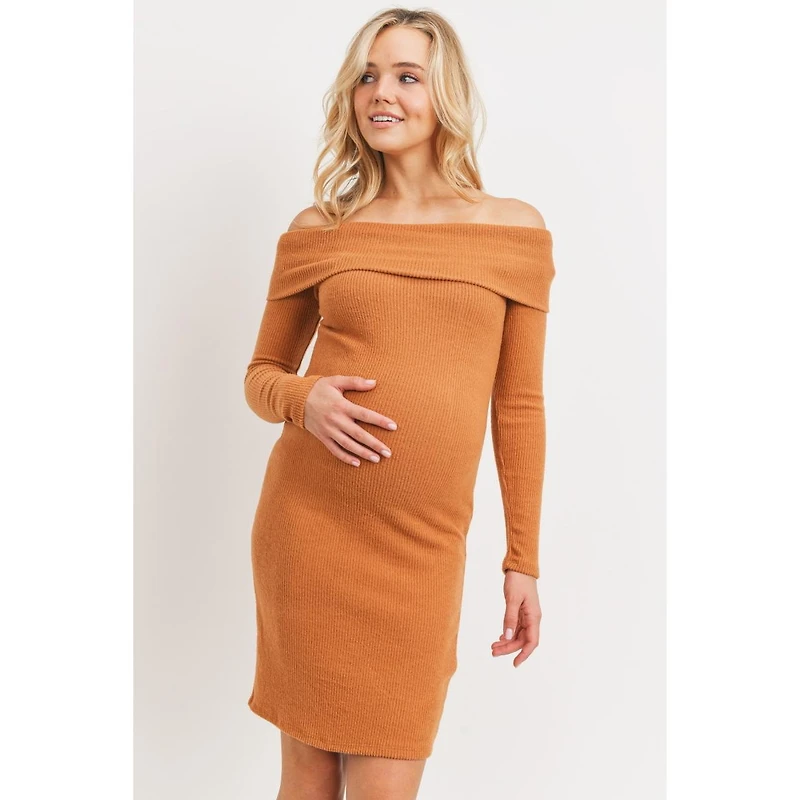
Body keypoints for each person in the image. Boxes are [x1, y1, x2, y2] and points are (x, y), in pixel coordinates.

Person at [243, 8, 556, 799]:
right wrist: (304, 399)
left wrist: (521, 559)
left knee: (388, 781)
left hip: (421, 550)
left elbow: (519, 406)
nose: (381, 93)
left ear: (444, 93)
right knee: (308, 778)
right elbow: (261, 374)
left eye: (407, 76)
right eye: (367, 76)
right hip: (311, 530)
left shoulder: (514, 231)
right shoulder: (321, 229)